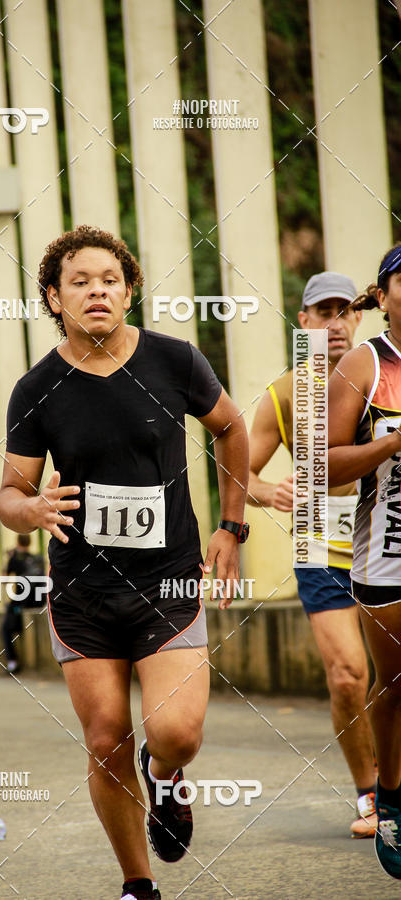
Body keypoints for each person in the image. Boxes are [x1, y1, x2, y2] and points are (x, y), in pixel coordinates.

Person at [0, 225, 249, 900]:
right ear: (54, 297)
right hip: (82, 589)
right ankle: (138, 883)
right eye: (79, 281)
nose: (96, 291)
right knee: (106, 738)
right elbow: (10, 493)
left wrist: (232, 524)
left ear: (130, 291)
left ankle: (166, 777)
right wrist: (34, 510)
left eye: (109, 279)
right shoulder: (37, 388)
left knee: (176, 732)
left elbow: (231, 427)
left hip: (166, 578)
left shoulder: (174, 361)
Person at [247, 272, 377, 838]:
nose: (335, 322)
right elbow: (237, 471)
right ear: (303, 323)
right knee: (349, 675)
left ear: (358, 319)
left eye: (344, 311)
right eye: (322, 312)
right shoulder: (283, 393)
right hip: (319, 540)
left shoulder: (383, 378)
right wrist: (269, 490)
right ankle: (371, 794)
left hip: (386, 535)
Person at [328, 244, 401, 880]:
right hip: (387, 551)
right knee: (391, 682)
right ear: (382, 296)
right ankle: (391, 796)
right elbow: (323, 468)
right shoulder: (364, 366)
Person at [1, 533, 45, 674]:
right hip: (38, 602)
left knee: (5, 628)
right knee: (14, 612)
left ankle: (12, 662)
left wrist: (8, 559)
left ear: (17, 542)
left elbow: (4, 580)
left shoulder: (14, 558)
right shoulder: (37, 558)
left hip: (21, 604)